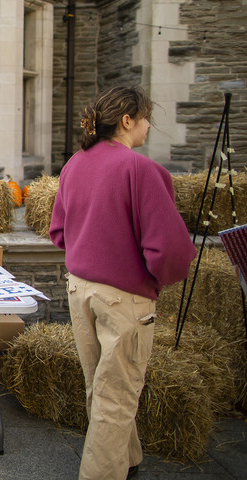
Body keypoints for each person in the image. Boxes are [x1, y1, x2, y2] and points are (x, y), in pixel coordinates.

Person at [49, 85, 196, 480]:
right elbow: (171, 252)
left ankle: (127, 461)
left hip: (80, 290)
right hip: (123, 298)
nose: (149, 126)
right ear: (127, 120)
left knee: (101, 387)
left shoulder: (74, 164)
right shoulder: (141, 170)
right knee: (116, 396)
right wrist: (156, 279)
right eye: (146, 117)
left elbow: (58, 231)